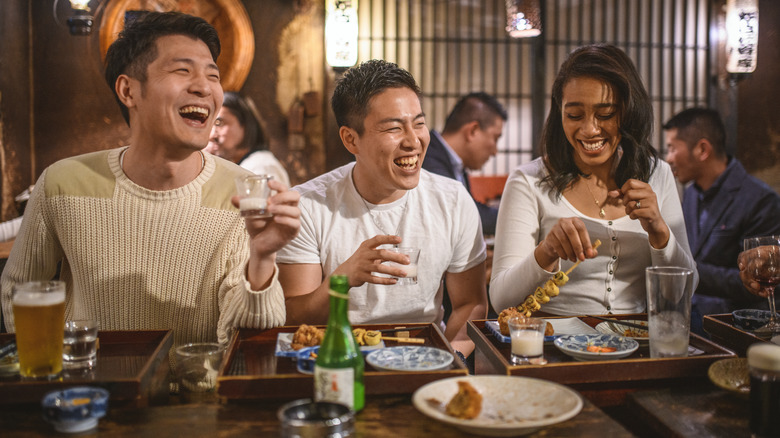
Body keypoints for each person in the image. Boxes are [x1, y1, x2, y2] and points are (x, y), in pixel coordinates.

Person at [0, 12, 301, 351]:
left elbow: (246, 339)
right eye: (182, 70)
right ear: (129, 90)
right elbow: (19, 290)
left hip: (197, 395)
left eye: (212, 75)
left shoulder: (243, 191)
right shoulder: (63, 183)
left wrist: (262, 258)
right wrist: (54, 370)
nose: (204, 87)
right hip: (93, 392)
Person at [277, 59, 487, 358]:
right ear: (351, 139)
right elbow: (294, 318)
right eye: (393, 128)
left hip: (426, 355)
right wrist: (342, 279)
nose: (414, 141)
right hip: (339, 358)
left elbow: (471, 304)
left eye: (419, 123)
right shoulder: (309, 205)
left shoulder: (452, 200)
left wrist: (448, 359)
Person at [490, 44, 698, 315]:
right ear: (559, 112)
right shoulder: (529, 182)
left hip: (636, 343)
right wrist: (548, 250)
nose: (589, 130)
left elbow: (685, 291)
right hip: (552, 345)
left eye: (606, 114)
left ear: (628, 111)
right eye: (574, 115)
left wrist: (659, 231)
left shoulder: (657, 174)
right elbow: (500, 299)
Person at [664, 108, 780, 334]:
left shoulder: (760, 200)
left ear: (702, 149)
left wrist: (687, 270)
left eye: (672, 148)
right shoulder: (691, 194)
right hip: (689, 317)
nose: (668, 158)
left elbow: (755, 282)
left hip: (732, 325)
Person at [422, 92, 507, 235]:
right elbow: (467, 215)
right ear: (473, 131)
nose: (495, 151)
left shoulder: (455, 164)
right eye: (495, 138)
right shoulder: (429, 159)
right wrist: (523, 216)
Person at [207, 92, 291, 187]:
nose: (212, 135)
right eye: (209, 125)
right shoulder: (242, 167)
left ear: (246, 126)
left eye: (219, 123)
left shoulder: (261, 167)